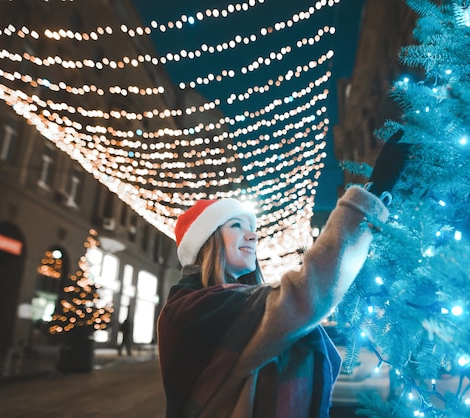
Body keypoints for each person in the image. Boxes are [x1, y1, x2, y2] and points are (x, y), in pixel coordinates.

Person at [157, 131, 408, 418]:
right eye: (236, 226)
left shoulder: (225, 304)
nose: (252, 236)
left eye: (251, 227)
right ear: (208, 242)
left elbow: (306, 312)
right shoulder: (195, 310)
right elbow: (305, 295)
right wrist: (373, 196)